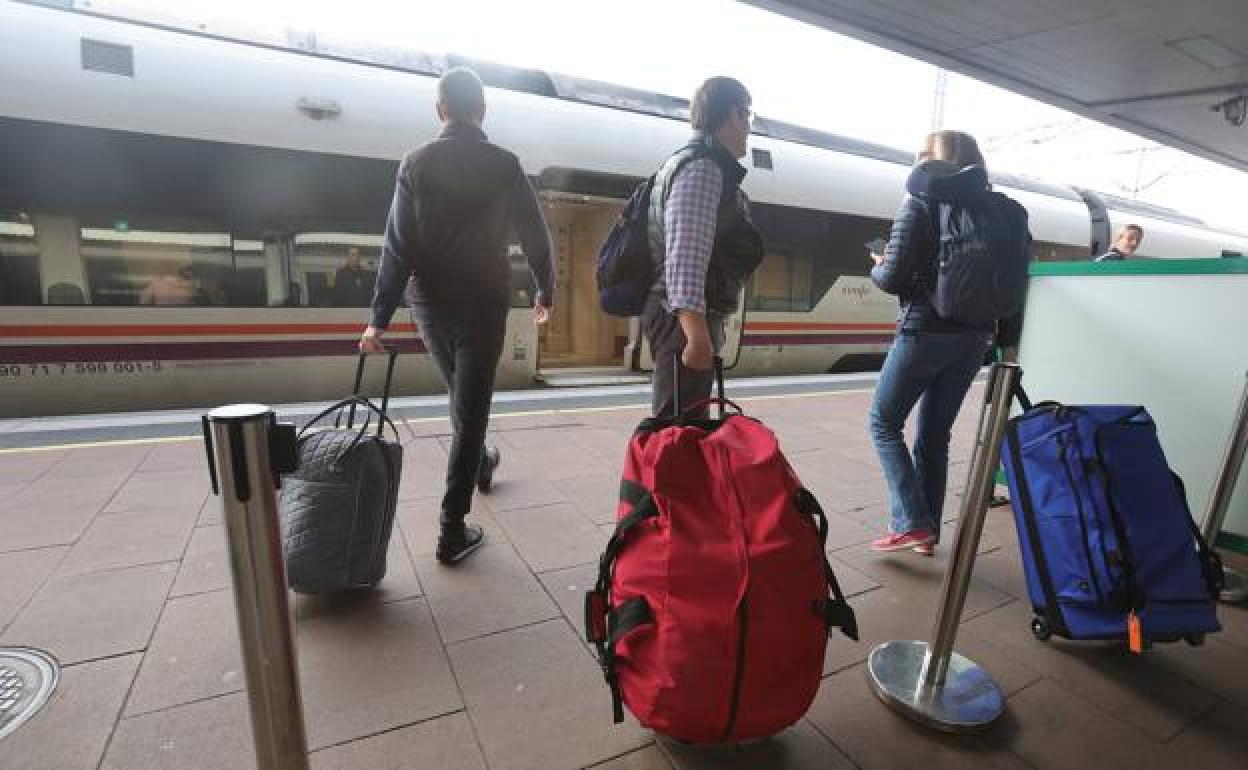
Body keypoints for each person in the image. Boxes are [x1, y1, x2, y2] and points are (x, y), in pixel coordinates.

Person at [361, 67, 554, 565]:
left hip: (429, 304)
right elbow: (536, 235)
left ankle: (481, 461)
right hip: (483, 303)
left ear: (440, 109)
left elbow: (397, 246)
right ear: (483, 111)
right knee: (470, 409)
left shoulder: (415, 163)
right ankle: (451, 530)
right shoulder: (505, 165)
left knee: (463, 399)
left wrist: (378, 318)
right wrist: (545, 289)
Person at [867, 130, 1029, 556]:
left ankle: (911, 522)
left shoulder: (920, 201)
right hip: (975, 337)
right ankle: (927, 532)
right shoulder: (1005, 211)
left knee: (883, 423)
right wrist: (1007, 341)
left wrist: (877, 265)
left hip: (923, 330)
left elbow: (893, 277)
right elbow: (1018, 280)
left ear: (929, 161)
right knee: (935, 436)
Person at [642, 76, 764, 417]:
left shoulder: (688, 162)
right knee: (679, 427)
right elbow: (685, 254)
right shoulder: (705, 168)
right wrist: (695, 333)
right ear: (733, 114)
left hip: (676, 316)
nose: (748, 127)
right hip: (682, 320)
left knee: (681, 424)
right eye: (747, 115)